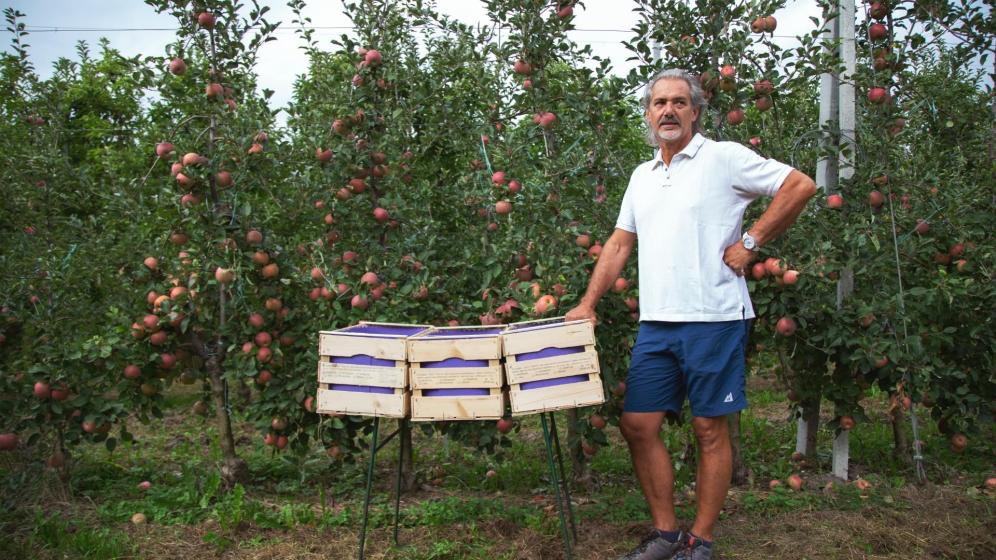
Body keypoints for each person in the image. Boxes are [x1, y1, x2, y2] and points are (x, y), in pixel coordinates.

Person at [564, 68, 816, 560]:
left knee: (709, 429)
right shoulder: (642, 176)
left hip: (715, 317)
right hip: (657, 321)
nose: (669, 111)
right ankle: (665, 534)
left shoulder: (723, 158)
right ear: (648, 114)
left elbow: (800, 185)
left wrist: (751, 242)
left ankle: (700, 541)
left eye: (679, 102)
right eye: (659, 103)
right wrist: (587, 303)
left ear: (695, 112)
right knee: (637, 424)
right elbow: (619, 243)